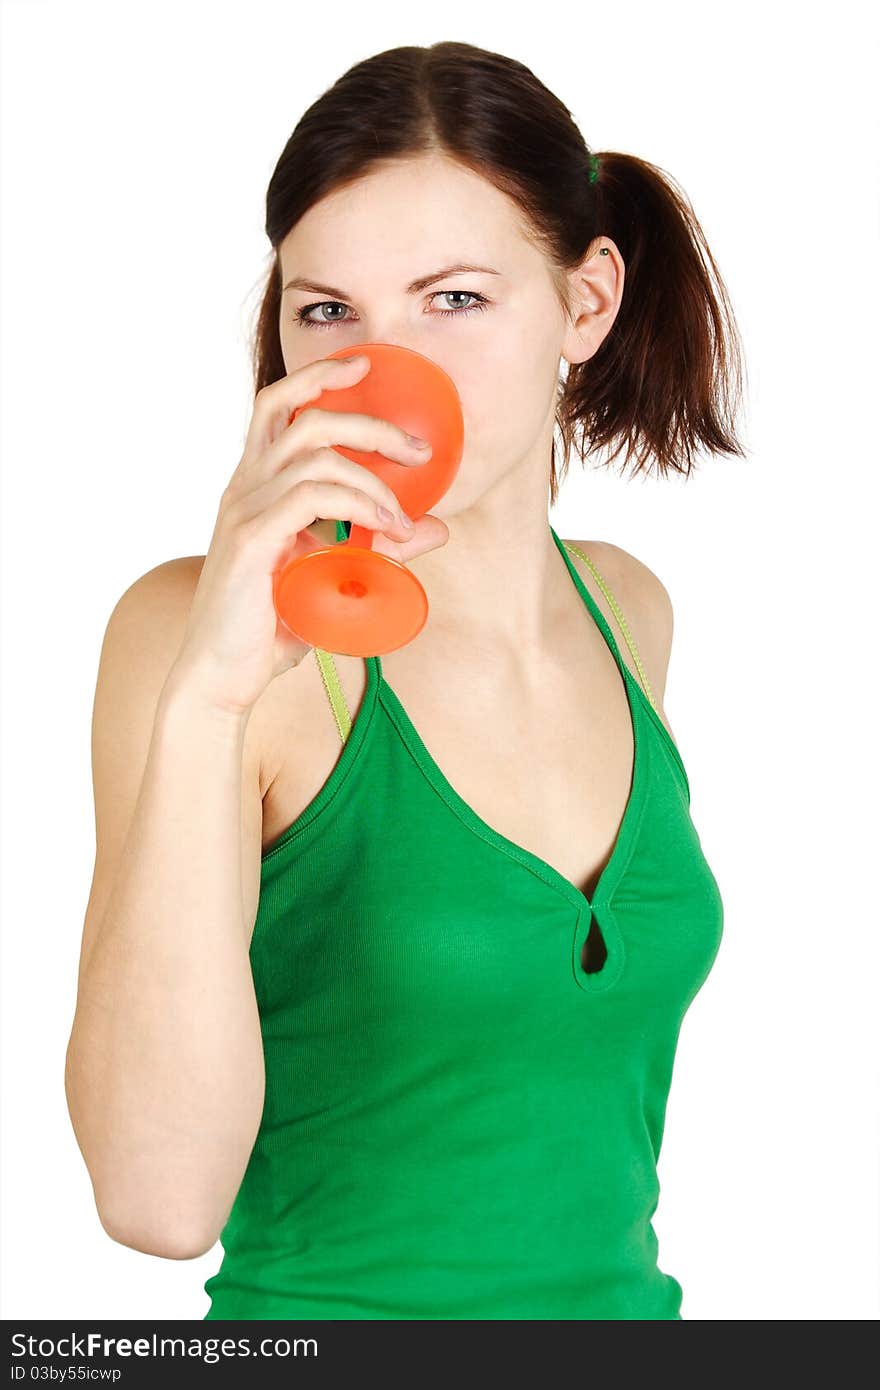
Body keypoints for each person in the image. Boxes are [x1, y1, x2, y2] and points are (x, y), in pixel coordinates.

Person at [64, 40, 746, 1320]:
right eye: (328, 311)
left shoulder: (628, 611)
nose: (385, 371)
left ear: (584, 304)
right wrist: (212, 692)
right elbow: (154, 1202)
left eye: (454, 300)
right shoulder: (195, 638)